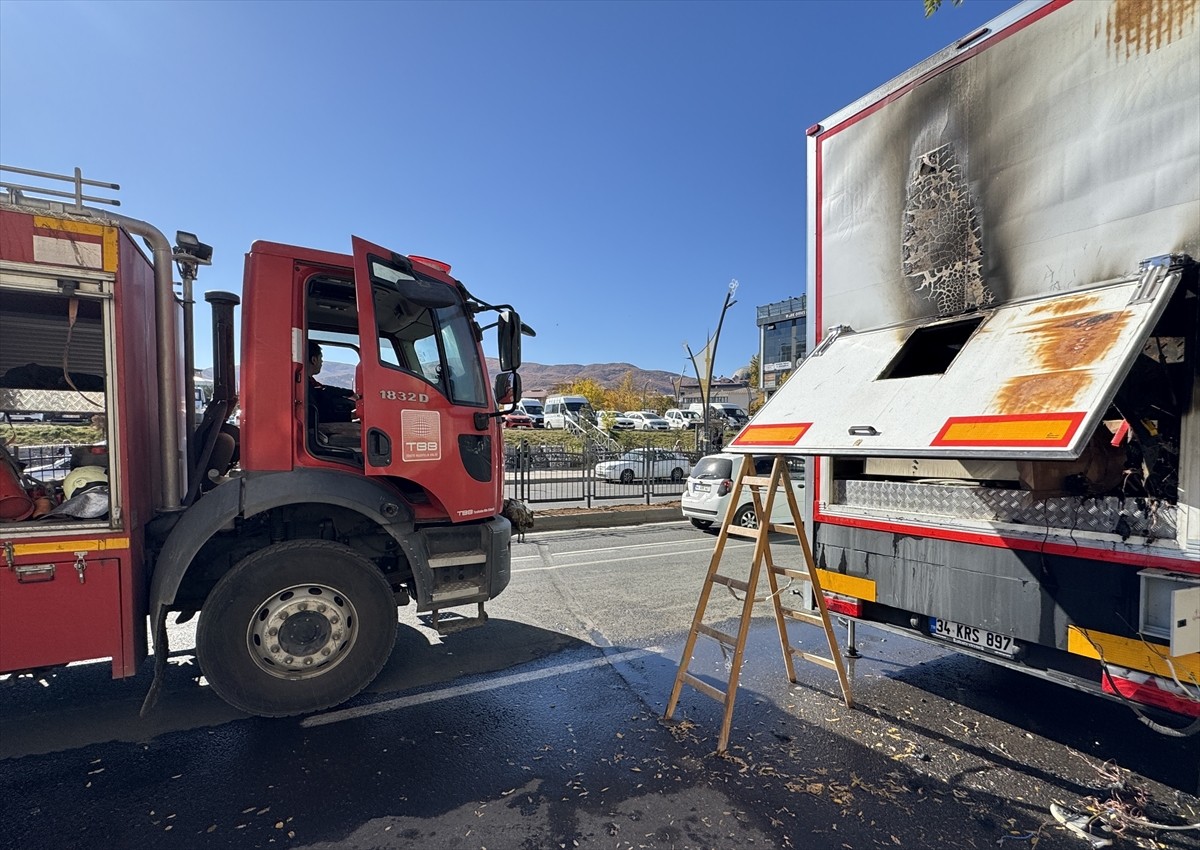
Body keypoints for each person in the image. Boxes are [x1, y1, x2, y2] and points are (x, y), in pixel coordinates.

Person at [307, 342, 356, 425]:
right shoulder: (306, 386)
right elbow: (321, 415)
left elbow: (324, 389)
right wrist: (350, 415)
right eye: (321, 358)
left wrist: (349, 393)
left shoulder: (310, 383)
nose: (322, 362)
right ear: (314, 360)